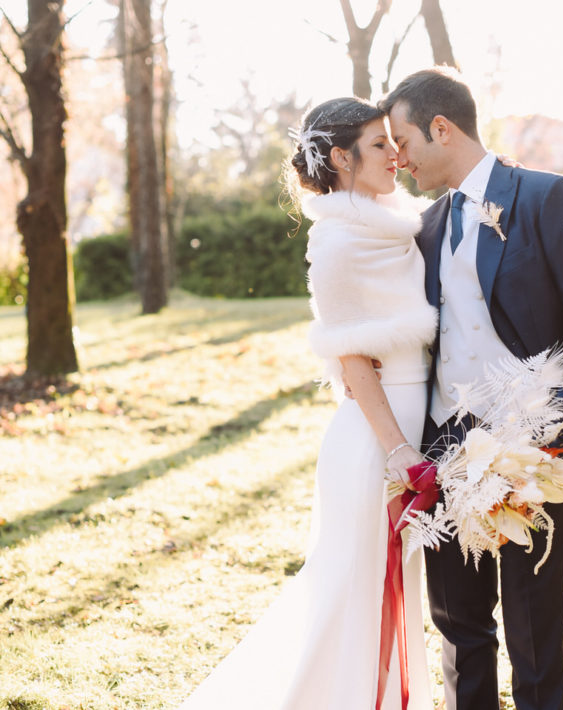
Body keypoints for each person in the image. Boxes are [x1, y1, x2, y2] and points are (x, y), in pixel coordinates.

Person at [378, 67, 563, 710]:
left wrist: (558, 435)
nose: (398, 158)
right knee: (459, 627)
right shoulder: (426, 227)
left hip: (534, 443)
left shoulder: (546, 197)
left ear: (442, 128)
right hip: (444, 451)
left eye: (403, 141)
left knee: (533, 628)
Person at [178, 97, 436, 709]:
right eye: (379, 146)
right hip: (378, 445)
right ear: (342, 158)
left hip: (412, 427)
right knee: (353, 597)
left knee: (391, 597)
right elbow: (353, 363)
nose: (395, 156)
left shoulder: (397, 224)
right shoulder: (338, 246)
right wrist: (401, 454)